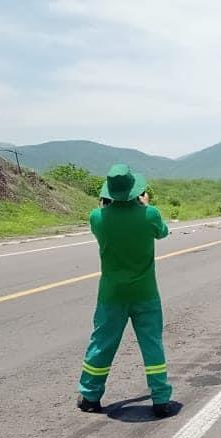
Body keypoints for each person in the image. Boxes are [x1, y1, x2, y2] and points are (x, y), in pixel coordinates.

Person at [76, 164, 179, 418]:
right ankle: (161, 399)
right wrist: (145, 207)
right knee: (152, 345)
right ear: (136, 191)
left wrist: (107, 206)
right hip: (145, 293)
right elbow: (163, 232)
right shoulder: (150, 214)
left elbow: (102, 218)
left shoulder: (97, 218)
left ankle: (90, 395)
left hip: (111, 295)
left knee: (101, 344)